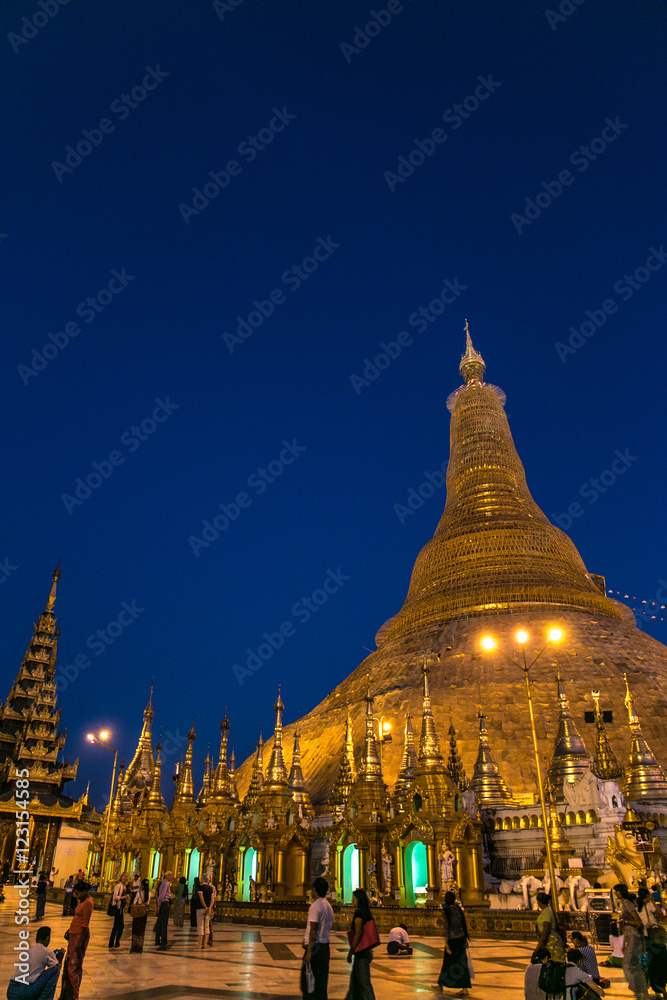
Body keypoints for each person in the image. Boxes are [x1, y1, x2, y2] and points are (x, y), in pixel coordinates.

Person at [6, 925, 63, 1000]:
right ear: (47, 938)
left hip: (11, 991)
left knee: (39, 973)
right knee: (54, 970)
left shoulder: (28, 950)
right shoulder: (47, 952)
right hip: (25, 991)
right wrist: (60, 959)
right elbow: (57, 968)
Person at [615, 883, 649, 1000]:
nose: (615, 893)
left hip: (634, 936)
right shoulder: (624, 903)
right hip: (630, 936)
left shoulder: (627, 904)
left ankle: (637, 989)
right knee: (634, 965)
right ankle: (643, 993)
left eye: (617, 891)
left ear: (621, 892)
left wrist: (625, 921)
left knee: (628, 965)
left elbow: (638, 922)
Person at [301, 876, 334, 999]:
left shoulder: (315, 906)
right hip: (325, 947)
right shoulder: (328, 906)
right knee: (321, 982)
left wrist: (309, 951)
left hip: (316, 948)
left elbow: (313, 929)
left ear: (315, 890)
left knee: (309, 984)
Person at [60, 881, 94, 1000]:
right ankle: (67, 993)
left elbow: (85, 924)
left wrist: (80, 942)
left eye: (78, 893)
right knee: (69, 964)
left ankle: (74, 995)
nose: (76, 895)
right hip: (74, 935)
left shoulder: (88, 903)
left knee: (74, 967)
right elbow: (78, 915)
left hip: (80, 936)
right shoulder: (83, 900)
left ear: (84, 892)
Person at [435, 890, 471, 995]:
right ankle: (465, 988)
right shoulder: (459, 910)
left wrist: (447, 945)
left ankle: (440, 985)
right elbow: (463, 925)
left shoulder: (446, 911)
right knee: (461, 964)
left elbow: (446, 929)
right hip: (460, 939)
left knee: (447, 964)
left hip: (452, 941)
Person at [346, 887, 378, 1000]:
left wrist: (351, 951)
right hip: (365, 952)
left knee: (364, 983)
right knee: (355, 984)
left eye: (354, 899)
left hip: (361, 953)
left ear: (358, 900)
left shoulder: (358, 913)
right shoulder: (365, 912)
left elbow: (358, 933)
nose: (352, 901)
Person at [535, 891, 565, 964]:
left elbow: (546, 929)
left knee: (554, 963)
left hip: (551, 942)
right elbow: (557, 926)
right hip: (553, 940)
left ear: (539, 902)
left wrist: (539, 945)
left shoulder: (546, 912)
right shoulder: (550, 910)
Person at [130, 878, 151, 954]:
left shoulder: (139, 893)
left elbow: (134, 902)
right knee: (142, 930)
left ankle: (134, 947)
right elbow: (148, 903)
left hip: (137, 912)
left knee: (135, 930)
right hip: (144, 913)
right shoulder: (149, 893)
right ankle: (140, 947)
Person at [108, 874, 129, 949]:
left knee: (117, 926)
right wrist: (124, 897)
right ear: (121, 877)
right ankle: (115, 942)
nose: (126, 878)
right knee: (119, 926)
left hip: (121, 909)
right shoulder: (118, 886)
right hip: (117, 908)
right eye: (125, 876)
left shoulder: (124, 887)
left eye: (127, 877)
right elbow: (115, 896)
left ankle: (113, 942)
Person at [647, 925, 667, 998]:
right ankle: (662, 990)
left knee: (654, 975)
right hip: (662, 956)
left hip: (654, 958)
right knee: (662, 974)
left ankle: (660, 990)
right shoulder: (663, 946)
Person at [155, 871, 173, 949]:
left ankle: (157, 940)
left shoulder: (163, 883)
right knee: (164, 923)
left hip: (162, 904)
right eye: (170, 875)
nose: (172, 877)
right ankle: (164, 941)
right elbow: (162, 896)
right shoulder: (166, 884)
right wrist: (159, 906)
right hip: (164, 904)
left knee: (160, 922)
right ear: (167, 876)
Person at [197, 874, 215, 949]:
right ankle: (205, 944)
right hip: (208, 909)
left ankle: (199, 944)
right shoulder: (210, 888)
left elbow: (201, 898)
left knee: (201, 926)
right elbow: (212, 899)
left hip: (201, 908)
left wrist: (205, 906)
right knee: (207, 926)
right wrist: (209, 907)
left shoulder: (200, 888)